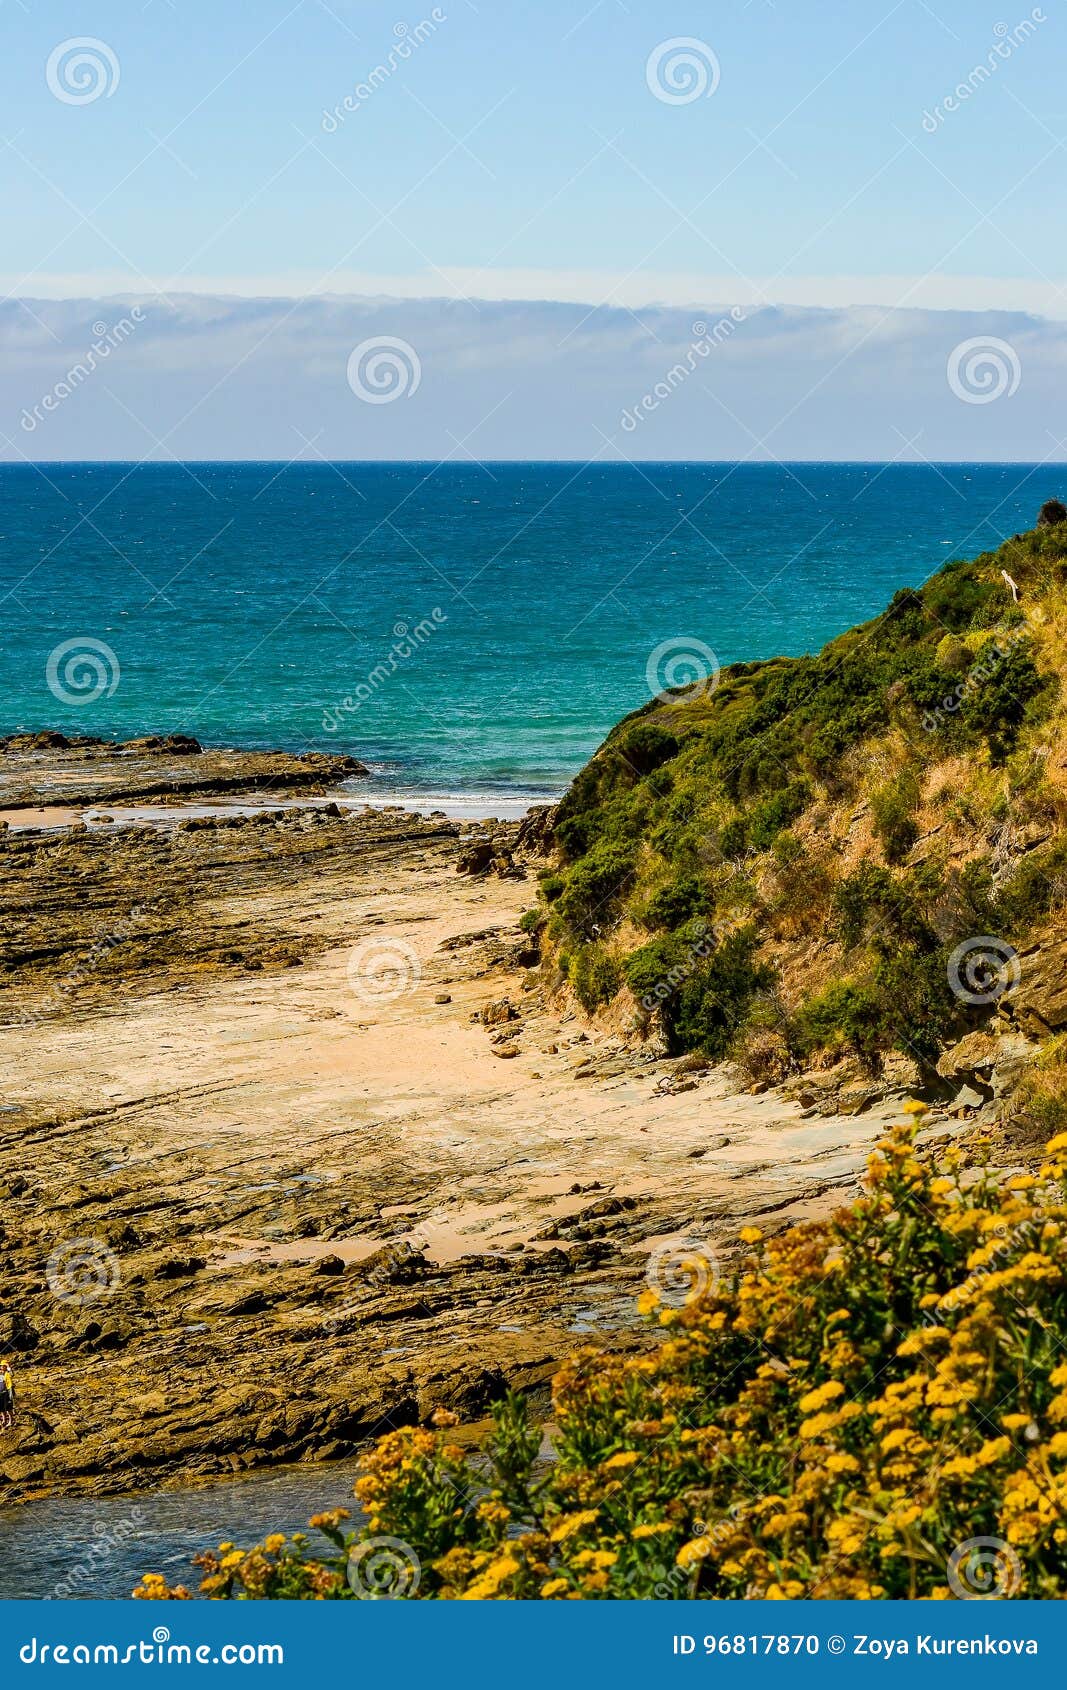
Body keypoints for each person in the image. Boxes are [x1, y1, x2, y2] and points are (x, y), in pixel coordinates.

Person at [0, 1358, 14, 1430]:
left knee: (9, 1407)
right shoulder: (1, 1373)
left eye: (2, 1365)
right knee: (2, 1408)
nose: (1, 1366)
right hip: (1, 1393)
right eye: (1, 1365)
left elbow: (12, 1374)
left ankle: (11, 1421)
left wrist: (9, 1367)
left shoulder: (8, 1373)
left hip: (7, 1392)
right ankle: (4, 1420)